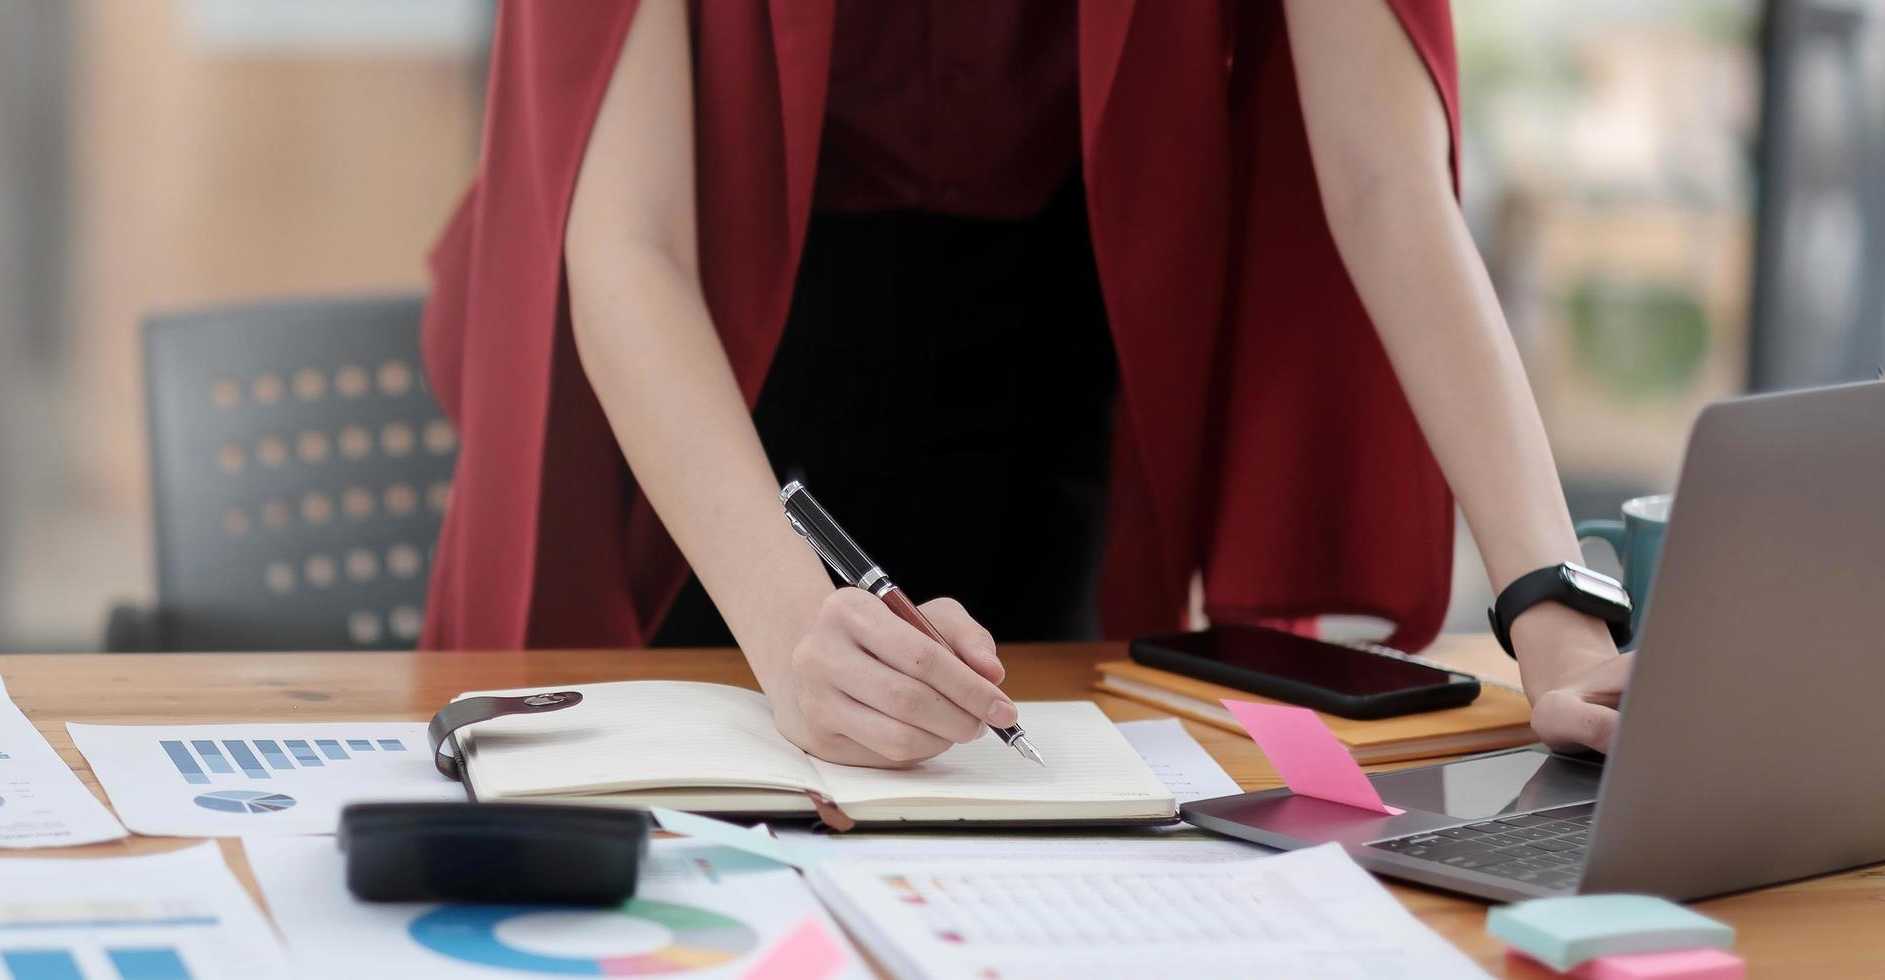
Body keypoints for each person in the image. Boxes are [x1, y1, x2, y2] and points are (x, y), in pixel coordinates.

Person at [418, 0, 1631, 767]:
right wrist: (793, 629)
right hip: (710, 434)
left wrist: (1550, 601)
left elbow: (1384, 179)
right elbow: (629, 245)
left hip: (1060, 375)